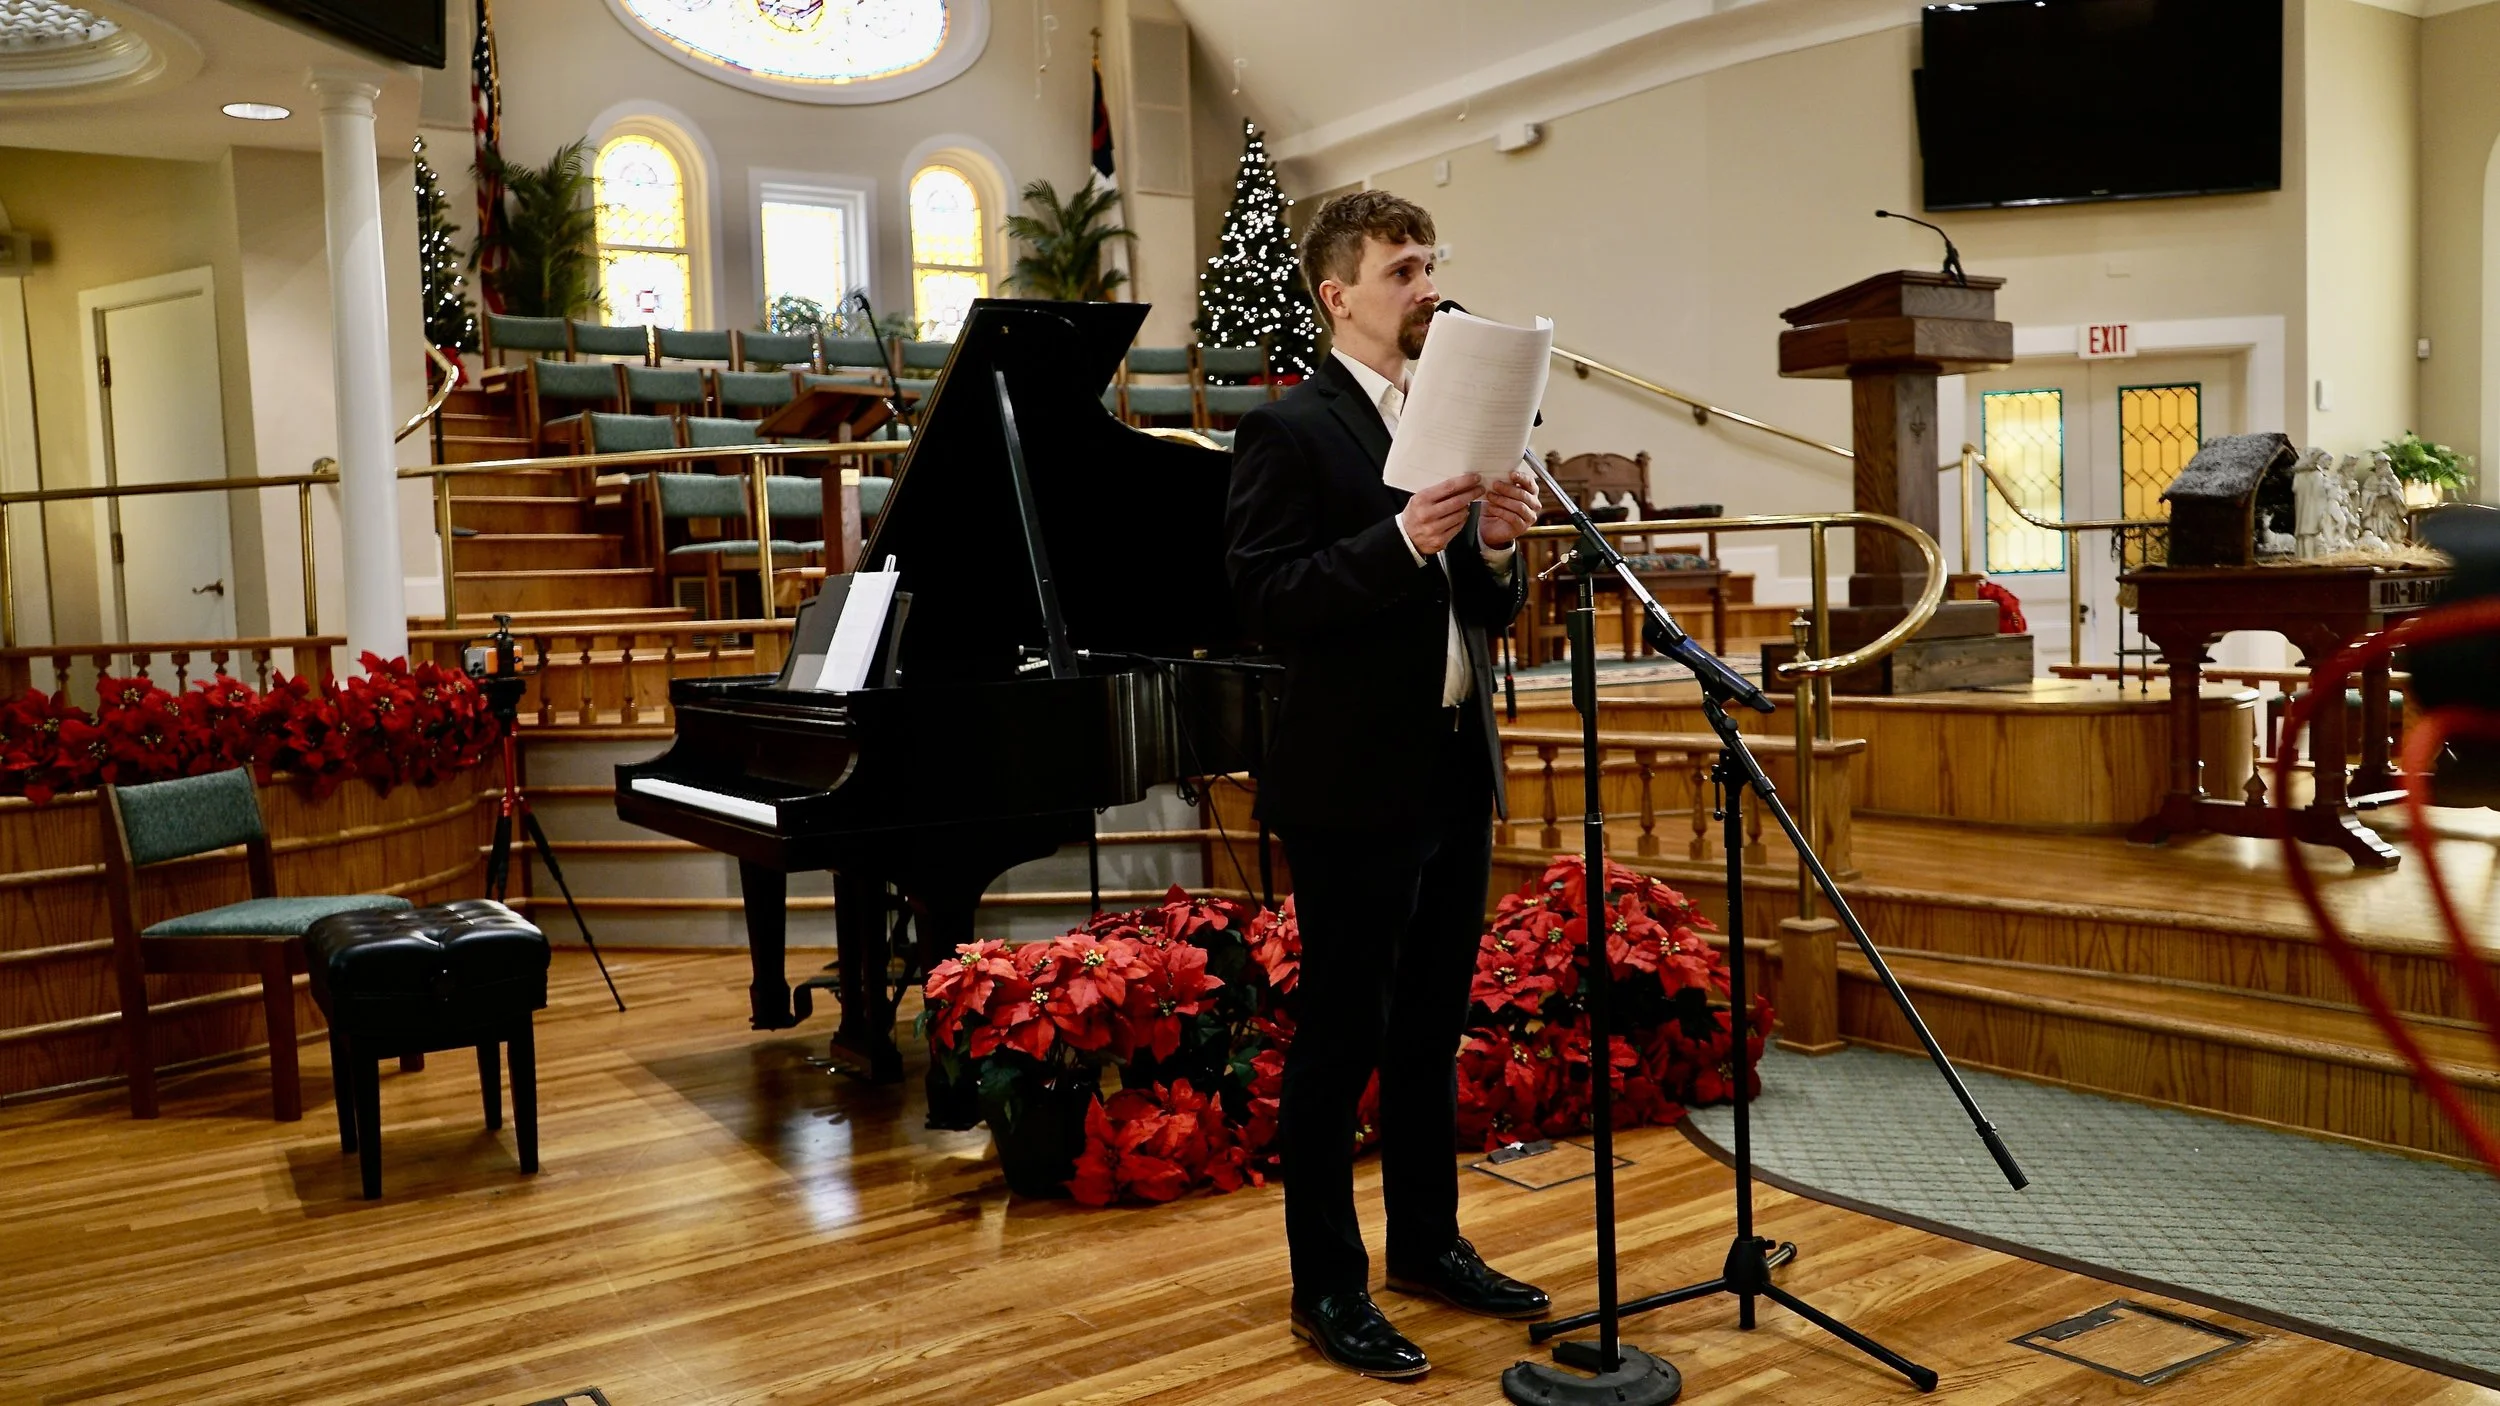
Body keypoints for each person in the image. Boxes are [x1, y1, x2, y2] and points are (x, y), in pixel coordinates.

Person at [1223, 190, 1548, 1381]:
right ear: (1337, 294)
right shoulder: (1291, 431)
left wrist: (1497, 547)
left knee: (1428, 1029)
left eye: (1430, 264)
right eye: (1403, 270)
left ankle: (1425, 1244)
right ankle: (1328, 1287)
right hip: (1351, 781)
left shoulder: (1450, 419)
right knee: (1341, 1038)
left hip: (1454, 766)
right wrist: (1401, 539)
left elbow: (1484, 612)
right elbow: (1267, 599)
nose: (1427, 286)